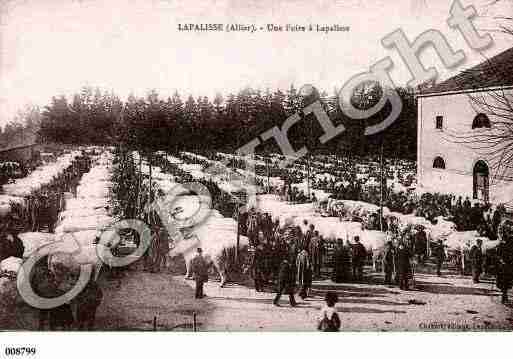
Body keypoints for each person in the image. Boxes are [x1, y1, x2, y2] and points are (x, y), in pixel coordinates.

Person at [496, 235, 513, 304]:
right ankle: (504, 297)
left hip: (505, 267)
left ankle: (504, 296)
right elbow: (498, 256)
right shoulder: (503, 246)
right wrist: (501, 261)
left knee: (505, 283)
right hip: (504, 268)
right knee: (505, 283)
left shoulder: (503, 246)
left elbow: (497, 255)